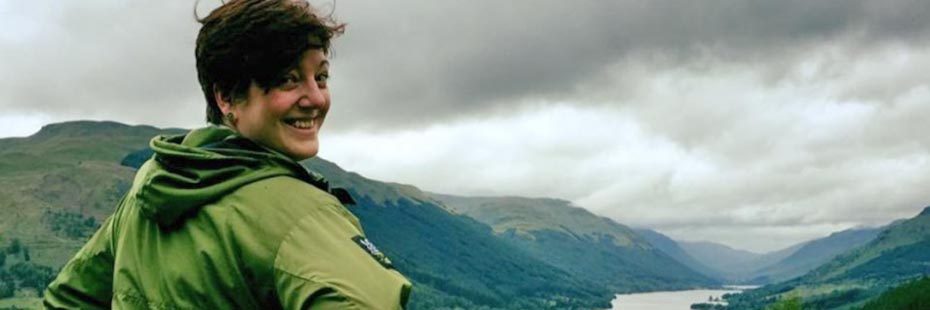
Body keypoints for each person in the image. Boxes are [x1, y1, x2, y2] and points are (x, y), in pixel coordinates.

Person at [43, 0, 412, 308]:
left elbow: (68, 300)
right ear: (227, 97)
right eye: (288, 79)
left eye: (322, 77)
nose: (316, 98)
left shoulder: (155, 185)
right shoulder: (300, 214)